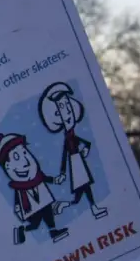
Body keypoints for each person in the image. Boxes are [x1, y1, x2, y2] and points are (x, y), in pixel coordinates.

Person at [38, 81, 108, 220]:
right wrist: (63, 172)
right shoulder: (68, 137)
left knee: (81, 193)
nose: (67, 111)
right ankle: (92, 208)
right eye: (61, 108)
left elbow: (83, 142)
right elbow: (65, 154)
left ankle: (66, 205)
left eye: (67, 105)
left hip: (78, 162)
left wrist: (86, 148)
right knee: (84, 188)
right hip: (76, 164)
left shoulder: (71, 134)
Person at [0, 132, 71, 246]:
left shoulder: (38, 176)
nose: (25, 163)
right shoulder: (19, 187)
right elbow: (17, 200)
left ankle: (53, 231)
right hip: (31, 207)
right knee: (36, 224)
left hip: (43, 198)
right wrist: (18, 209)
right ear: (7, 166)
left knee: (48, 214)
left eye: (25, 153)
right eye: (16, 157)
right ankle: (23, 230)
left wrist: (56, 180)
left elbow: (45, 178)